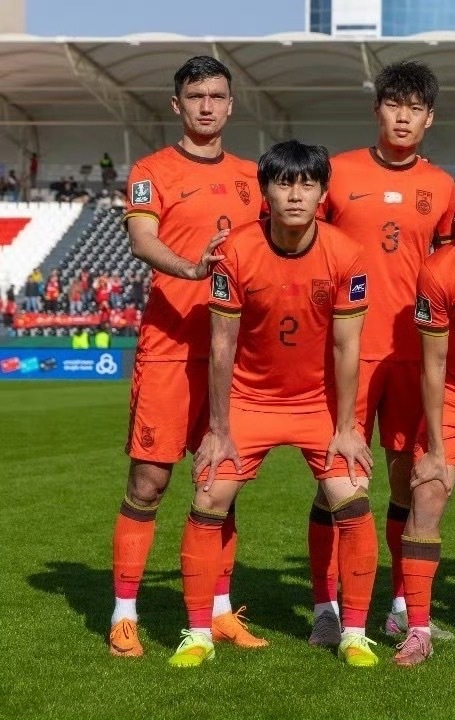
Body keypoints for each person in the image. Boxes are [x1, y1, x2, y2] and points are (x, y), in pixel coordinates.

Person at [168, 140, 377, 669]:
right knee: (209, 494)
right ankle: (198, 633)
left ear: (323, 193)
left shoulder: (347, 254)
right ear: (265, 191)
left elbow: (347, 346)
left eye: (308, 184)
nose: (295, 194)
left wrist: (348, 427)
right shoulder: (235, 251)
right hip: (249, 400)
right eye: (284, 183)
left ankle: (353, 633)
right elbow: (222, 345)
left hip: (318, 404)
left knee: (352, 498)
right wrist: (218, 429)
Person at [109, 55, 265, 658]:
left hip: (236, 354)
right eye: (195, 95)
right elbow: (142, 238)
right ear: (177, 105)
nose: (206, 105)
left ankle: (220, 611)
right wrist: (192, 269)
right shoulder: (151, 170)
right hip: (171, 348)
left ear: (231, 105)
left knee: (222, 483)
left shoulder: (255, 176)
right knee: (149, 481)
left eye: (216, 95)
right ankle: (124, 614)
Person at [308, 60, 455, 647]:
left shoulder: (442, 187)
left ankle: (400, 605)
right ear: (377, 109)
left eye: (414, 108)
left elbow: (448, 265)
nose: (403, 117)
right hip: (344, 352)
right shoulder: (337, 173)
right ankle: (325, 607)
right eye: (393, 104)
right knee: (336, 482)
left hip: (412, 356)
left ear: (429, 118)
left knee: (405, 482)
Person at [393, 168, 455, 666]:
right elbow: (434, 365)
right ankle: (417, 629)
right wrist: (438, 449)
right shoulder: (440, 271)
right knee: (425, 493)